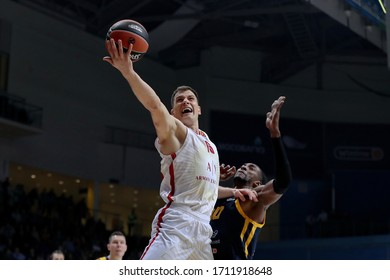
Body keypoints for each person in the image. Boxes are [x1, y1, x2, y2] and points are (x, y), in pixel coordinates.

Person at [103, 40, 220, 260]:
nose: (186, 101)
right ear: (173, 112)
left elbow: (209, 191)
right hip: (178, 226)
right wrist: (129, 73)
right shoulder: (175, 132)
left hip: (203, 232)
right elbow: (155, 105)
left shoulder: (210, 145)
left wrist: (233, 191)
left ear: (199, 109)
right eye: (179, 100)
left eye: (191, 98)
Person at [210, 96, 292, 260]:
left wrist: (275, 135)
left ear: (257, 183)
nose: (243, 167)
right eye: (243, 166)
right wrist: (213, 178)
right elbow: (194, 194)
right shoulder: (218, 198)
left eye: (251, 167)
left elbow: (283, 182)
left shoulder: (253, 199)